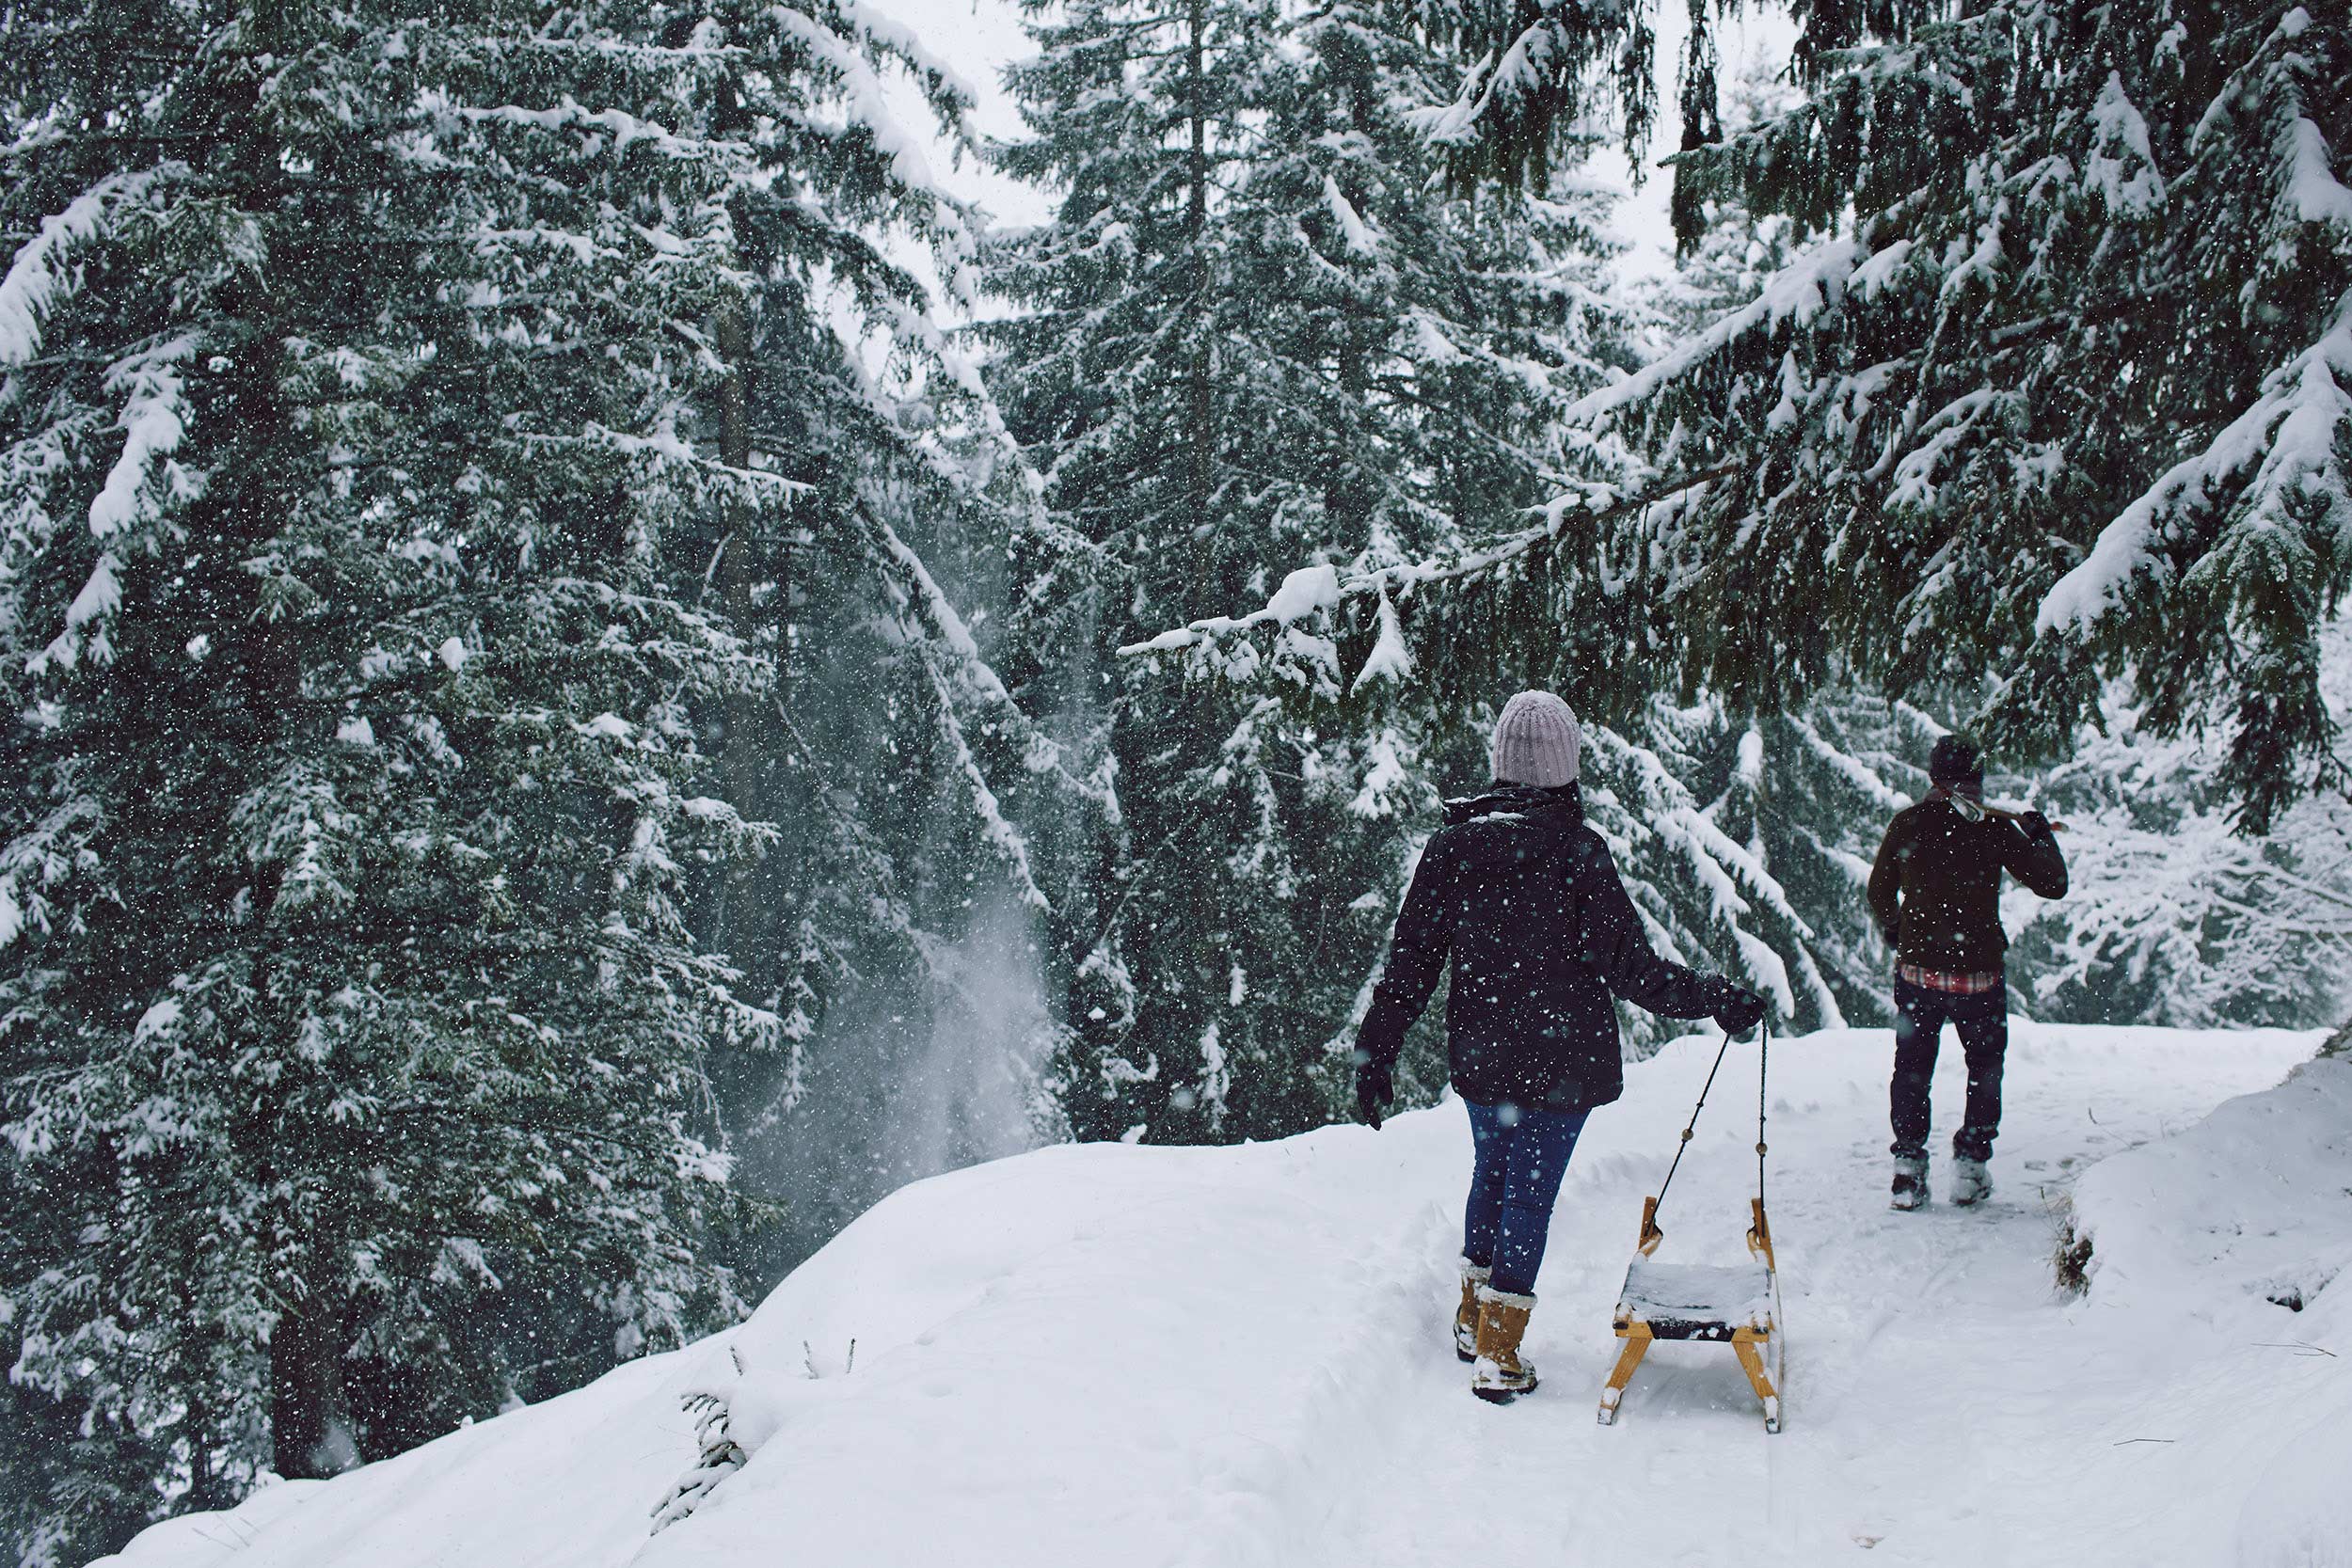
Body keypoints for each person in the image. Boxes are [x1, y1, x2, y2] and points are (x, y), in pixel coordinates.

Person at [1350, 690, 1767, 1404]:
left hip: (1484, 1054)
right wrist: (1717, 998)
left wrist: (1375, 1052)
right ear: (1564, 766)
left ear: (1501, 764)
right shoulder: (1578, 853)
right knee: (1530, 1195)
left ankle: (1474, 1316)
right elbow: (1634, 969)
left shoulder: (1454, 848)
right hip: (1560, 1061)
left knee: (1494, 1173)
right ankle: (1500, 1353)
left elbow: (1412, 958)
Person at [1867, 734, 2067, 1212]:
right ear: (1979, 776)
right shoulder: (1996, 829)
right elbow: (2053, 885)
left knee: (1912, 1070)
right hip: (1979, 976)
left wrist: (1901, 931)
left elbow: (1878, 893)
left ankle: (1909, 1171)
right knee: (1984, 1069)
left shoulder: (1908, 823)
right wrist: (2041, 835)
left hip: (1918, 975)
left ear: (1933, 775)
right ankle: (1970, 1168)